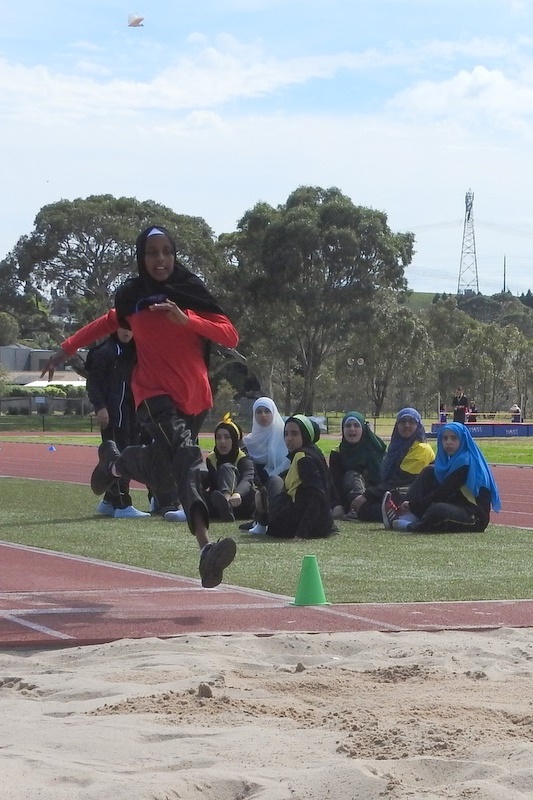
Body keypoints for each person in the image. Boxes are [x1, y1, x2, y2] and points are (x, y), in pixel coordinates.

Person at [41, 224, 239, 588]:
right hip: (152, 396)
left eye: (167, 251)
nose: (160, 259)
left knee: (163, 475)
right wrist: (64, 349)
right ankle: (205, 548)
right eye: (152, 252)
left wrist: (187, 318)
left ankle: (114, 464)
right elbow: (104, 323)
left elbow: (229, 334)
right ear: (141, 257)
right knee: (186, 462)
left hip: (194, 398)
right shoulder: (132, 297)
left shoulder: (190, 291)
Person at [383, 421, 501, 534]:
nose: (448, 442)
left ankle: (410, 525)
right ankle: (404, 514)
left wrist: (413, 505)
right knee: (429, 471)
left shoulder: (465, 462)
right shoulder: (451, 461)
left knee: (438, 510)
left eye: (454, 438)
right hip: (458, 504)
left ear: (463, 440)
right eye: (445, 438)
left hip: (474, 516)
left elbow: (443, 492)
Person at [85, 327, 150, 519]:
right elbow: (93, 382)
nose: (127, 332)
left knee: (126, 453)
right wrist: (100, 407)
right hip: (114, 414)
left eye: (131, 328)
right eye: (123, 327)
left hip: (131, 413)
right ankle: (122, 504)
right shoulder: (105, 352)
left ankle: (108, 501)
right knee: (116, 456)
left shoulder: (135, 351)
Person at [259, 414, 334, 540]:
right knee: (274, 482)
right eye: (286, 434)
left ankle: (261, 523)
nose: (289, 439)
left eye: (294, 434)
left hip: (304, 525)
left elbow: (317, 495)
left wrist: (301, 532)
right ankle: (260, 522)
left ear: (305, 435)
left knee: (273, 483)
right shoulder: (313, 451)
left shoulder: (303, 458)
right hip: (321, 522)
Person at [355, 407, 435, 523]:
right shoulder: (395, 447)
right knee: (366, 508)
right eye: (403, 421)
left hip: (414, 494)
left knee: (367, 509)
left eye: (411, 422)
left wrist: (368, 494)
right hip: (396, 491)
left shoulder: (422, 448)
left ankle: (403, 516)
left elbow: (401, 480)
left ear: (418, 426)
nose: (406, 425)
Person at [239, 397, 290, 534]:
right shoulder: (248, 442)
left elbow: (287, 464)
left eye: (267, 411)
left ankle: (264, 518)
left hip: (280, 485)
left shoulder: (284, 437)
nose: (263, 415)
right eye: (259, 412)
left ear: (274, 413)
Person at [329, 411, 386, 520]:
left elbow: (383, 479)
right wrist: (337, 504)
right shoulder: (337, 453)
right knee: (352, 475)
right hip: (349, 500)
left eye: (356, 425)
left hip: (374, 495)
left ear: (363, 429)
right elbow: (334, 483)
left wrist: (369, 495)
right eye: (348, 425)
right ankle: (359, 510)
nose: (352, 429)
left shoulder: (376, 450)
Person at [204, 414, 255, 522]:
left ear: (234, 440)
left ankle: (225, 501)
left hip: (242, 503)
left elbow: (248, 479)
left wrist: (237, 493)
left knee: (226, 468)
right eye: (218, 437)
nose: (222, 441)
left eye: (227, 437)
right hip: (218, 506)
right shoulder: (211, 459)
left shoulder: (244, 458)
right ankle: (223, 506)